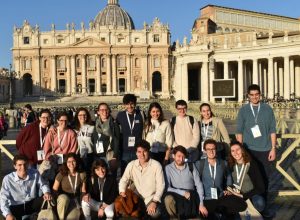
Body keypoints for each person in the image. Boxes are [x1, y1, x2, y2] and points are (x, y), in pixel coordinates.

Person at [236, 84, 276, 217]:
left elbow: (272, 130)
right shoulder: (243, 110)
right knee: (249, 179)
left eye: (256, 94)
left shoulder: (267, 109)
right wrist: (240, 150)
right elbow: (239, 132)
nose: (254, 97)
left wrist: (273, 149)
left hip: (265, 150)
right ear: (248, 96)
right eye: (252, 95)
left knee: (265, 179)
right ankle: (250, 206)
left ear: (260, 95)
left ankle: (263, 208)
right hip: (248, 150)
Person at [195, 139, 246, 219]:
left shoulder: (223, 163)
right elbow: (196, 184)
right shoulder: (199, 164)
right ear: (204, 150)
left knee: (239, 206)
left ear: (216, 149)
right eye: (208, 149)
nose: (211, 151)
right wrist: (200, 204)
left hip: (221, 197)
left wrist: (228, 189)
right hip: (207, 199)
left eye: (213, 149)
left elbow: (229, 179)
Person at [119, 140, 165, 219]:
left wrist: (154, 202)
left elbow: (161, 186)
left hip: (151, 197)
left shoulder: (156, 165)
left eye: (144, 151)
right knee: (125, 210)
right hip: (137, 196)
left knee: (155, 213)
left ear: (148, 152)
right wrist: (122, 190)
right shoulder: (132, 164)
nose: (142, 154)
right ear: (136, 153)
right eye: (139, 152)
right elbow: (124, 179)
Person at [0, 154, 52, 220]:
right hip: (15, 206)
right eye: (19, 165)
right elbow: (3, 199)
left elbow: (43, 184)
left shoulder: (35, 173)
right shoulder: (7, 179)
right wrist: (7, 214)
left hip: (31, 203)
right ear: (14, 166)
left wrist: (46, 192)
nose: (23, 167)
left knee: (47, 198)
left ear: (28, 164)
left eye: (25, 164)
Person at [164, 145, 204, 219]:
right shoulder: (168, 168)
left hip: (191, 196)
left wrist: (201, 204)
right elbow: (167, 187)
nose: (181, 159)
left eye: (183, 157)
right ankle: (174, 218)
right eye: (179, 156)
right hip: (176, 194)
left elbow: (199, 184)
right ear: (173, 156)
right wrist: (183, 193)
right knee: (168, 199)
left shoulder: (191, 166)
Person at [228, 141, 266, 213]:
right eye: (232, 151)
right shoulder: (230, 165)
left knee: (259, 202)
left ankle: (258, 214)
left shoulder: (252, 164)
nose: (235, 153)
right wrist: (230, 190)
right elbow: (228, 183)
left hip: (250, 195)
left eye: (237, 150)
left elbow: (261, 188)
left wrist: (243, 196)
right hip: (235, 194)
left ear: (242, 150)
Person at [52, 153, 86, 220]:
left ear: (77, 162)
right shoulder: (61, 174)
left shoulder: (82, 174)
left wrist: (82, 206)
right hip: (63, 201)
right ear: (66, 163)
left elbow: (83, 191)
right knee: (64, 198)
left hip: (75, 202)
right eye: (69, 162)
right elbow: (54, 190)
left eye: (73, 161)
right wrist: (54, 207)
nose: (71, 164)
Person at [116, 94, 144, 171]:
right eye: (127, 104)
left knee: (138, 173)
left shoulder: (141, 114)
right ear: (124, 105)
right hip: (125, 150)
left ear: (135, 104)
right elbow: (114, 128)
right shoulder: (120, 115)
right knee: (125, 173)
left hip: (138, 150)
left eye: (131, 104)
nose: (130, 106)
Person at [93, 103, 120, 176]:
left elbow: (117, 141)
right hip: (98, 156)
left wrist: (115, 156)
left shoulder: (114, 124)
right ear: (98, 112)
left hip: (109, 156)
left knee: (111, 178)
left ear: (109, 111)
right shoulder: (95, 124)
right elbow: (94, 139)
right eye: (102, 110)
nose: (104, 112)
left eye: (106, 110)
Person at [73, 107, 95, 176]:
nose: (82, 116)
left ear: (87, 116)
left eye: (84, 115)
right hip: (79, 156)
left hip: (91, 155)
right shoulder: (74, 129)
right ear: (77, 116)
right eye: (80, 115)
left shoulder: (92, 127)